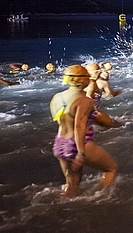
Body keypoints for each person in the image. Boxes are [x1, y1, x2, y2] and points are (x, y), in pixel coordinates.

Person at [49, 65, 117, 197]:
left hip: (59, 144)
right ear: (81, 80)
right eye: (86, 75)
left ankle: (66, 208)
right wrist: (80, 153)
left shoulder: (56, 97)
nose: (89, 77)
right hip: (78, 144)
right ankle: (100, 202)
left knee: (72, 185)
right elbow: (79, 127)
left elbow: (58, 120)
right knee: (111, 169)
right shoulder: (84, 101)